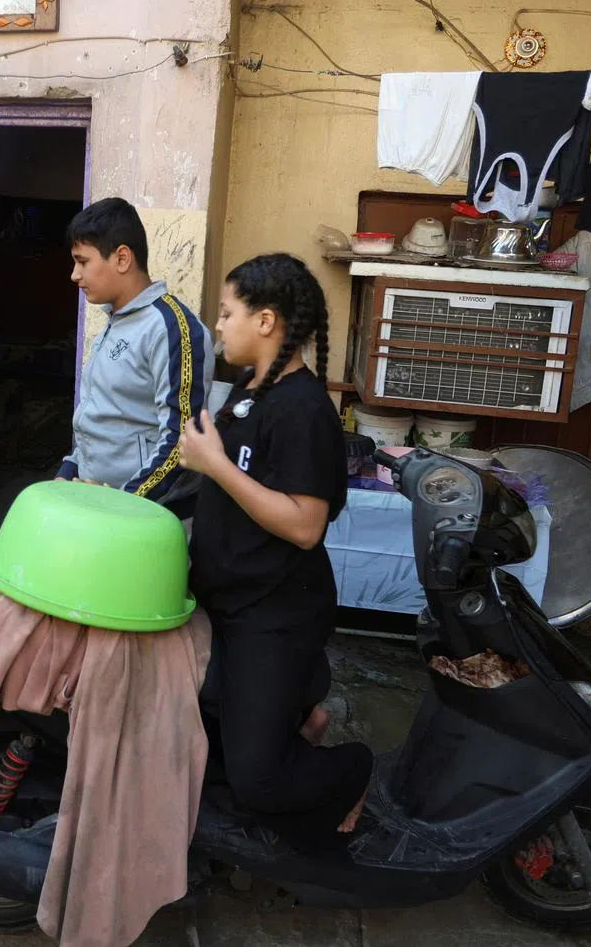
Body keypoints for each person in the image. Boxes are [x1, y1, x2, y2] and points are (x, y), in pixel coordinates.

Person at [179, 253, 372, 852]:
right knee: (208, 730)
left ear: (265, 321)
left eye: (227, 313)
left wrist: (214, 465)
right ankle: (297, 714)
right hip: (229, 602)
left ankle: (353, 770)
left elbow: (305, 524)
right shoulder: (249, 390)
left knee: (256, 783)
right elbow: (214, 481)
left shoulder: (303, 409)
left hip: (276, 613)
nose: (219, 326)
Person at [58, 198, 213, 516]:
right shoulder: (115, 321)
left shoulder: (171, 327)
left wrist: (121, 505)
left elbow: (180, 441)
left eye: (82, 261)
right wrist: (67, 473)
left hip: (142, 519)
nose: (74, 274)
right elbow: (100, 417)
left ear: (122, 258)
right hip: (98, 508)